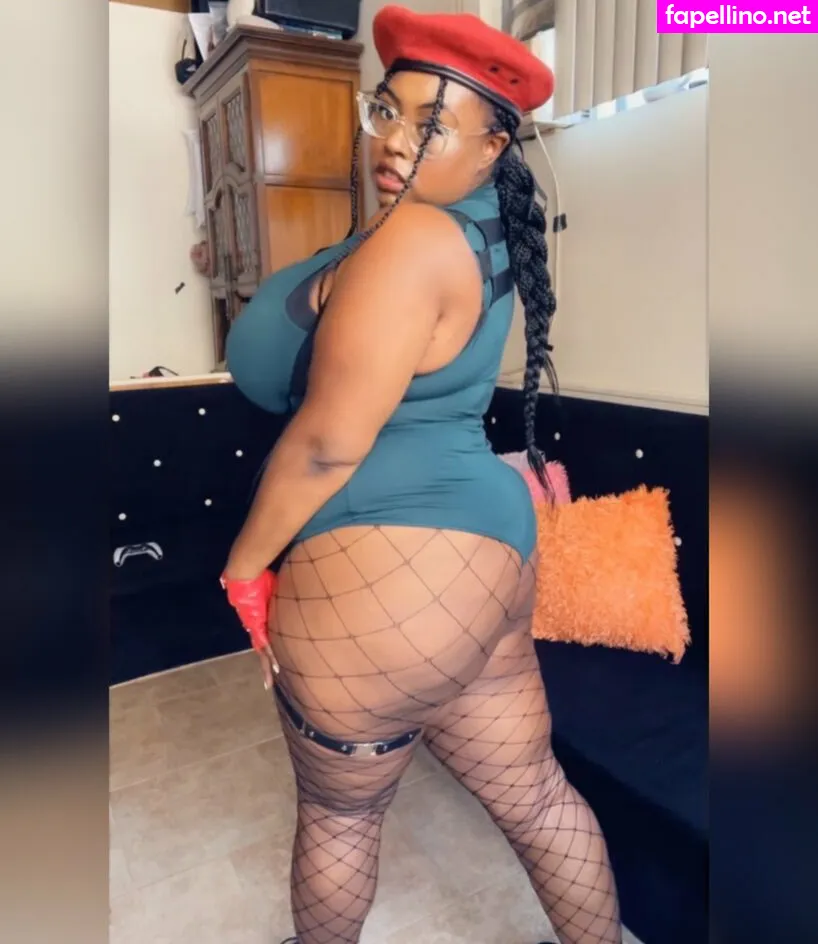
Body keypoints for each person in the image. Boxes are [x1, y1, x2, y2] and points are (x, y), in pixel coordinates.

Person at [220, 6, 622, 943]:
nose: (396, 141)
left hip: (385, 559)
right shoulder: (473, 232)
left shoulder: (412, 243)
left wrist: (242, 570)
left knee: (341, 814)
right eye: (387, 112)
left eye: (431, 124)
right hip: (489, 555)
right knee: (534, 794)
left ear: (492, 148)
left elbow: (327, 445)